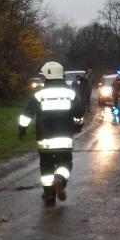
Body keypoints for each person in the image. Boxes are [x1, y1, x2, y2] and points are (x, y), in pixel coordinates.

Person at [18, 61, 85, 206]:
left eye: (42, 76)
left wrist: (22, 128)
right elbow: (79, 114)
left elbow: (27, 113)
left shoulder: (39, 94)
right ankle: (60, 179)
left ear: (49, 75)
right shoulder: (71, 94)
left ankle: (49, 195)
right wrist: (79, 125)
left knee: (46, 165)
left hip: (44, 139)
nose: (42, 79)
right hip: (64, 139)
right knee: (65, 162)